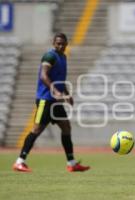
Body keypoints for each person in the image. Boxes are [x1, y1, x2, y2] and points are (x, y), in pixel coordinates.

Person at [13, 33, 90, 172]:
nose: (60, 46)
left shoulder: (63, 57)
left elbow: (60, 79)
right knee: (36, 130)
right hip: (45, 100)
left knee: (66, 128)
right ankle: (19, 161)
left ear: (67, 43)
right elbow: (43, 76)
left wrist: (66, 94)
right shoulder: (50, 56)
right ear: (53, 43)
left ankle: (71, 164)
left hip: (56, 101)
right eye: (58, 43)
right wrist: (56, 91)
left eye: (63, 43)